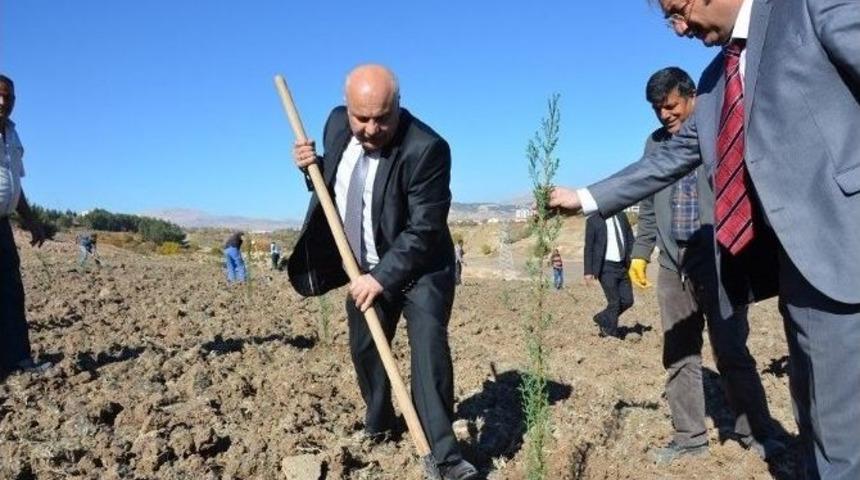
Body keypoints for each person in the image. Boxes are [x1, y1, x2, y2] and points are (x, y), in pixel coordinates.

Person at [548, 1, 860, 477]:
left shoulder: (807, 8)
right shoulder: (719, 78)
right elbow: (665, 162)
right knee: (816, 414)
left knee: (840, 428)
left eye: (678, 9)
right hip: (796, 269)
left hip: (844, 245)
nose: (677, 28)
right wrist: (585, 197)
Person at [288, 64, 476, 480]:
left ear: (398, 106)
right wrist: (310, 167)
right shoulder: (337, 124)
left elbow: (424, 229)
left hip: (423, 268)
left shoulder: (427, 149)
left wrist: (382, 278)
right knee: (365, 349)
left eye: (382, 118)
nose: (371, 129)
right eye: (362, 118)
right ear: (348, 108)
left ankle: (445, 458)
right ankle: (379, 422)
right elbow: (335, 184)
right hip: (364, 266)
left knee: (428, 355)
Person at [631, 66, 783, 464]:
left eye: (670, 106)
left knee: (731, 348)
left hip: (720, 261)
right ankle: (689, 437)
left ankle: (758, 431)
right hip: (672, 265)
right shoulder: (655, 144)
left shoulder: (719, 132)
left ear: (691, 96)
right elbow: (648, 203)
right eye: (657, 109)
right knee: (679, 353)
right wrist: (640, 252)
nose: (664, 115)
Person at [0, 74, 49, 377]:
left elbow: (15, 183)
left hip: (3, 224)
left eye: (9, 97)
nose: (4, 102)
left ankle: (18, 359)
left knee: (10, 291)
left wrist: (31, 221)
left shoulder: (13, 136)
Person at [584, 212, 634, 338]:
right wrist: (588, 271)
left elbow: (629, 237)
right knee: (615, 302)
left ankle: (602, 317)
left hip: (623, 265)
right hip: (605, 267)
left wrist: (634, 256)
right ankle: (609, 332)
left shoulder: (622, 216)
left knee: (628, 300)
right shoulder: (593, 220)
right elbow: (588, 246)